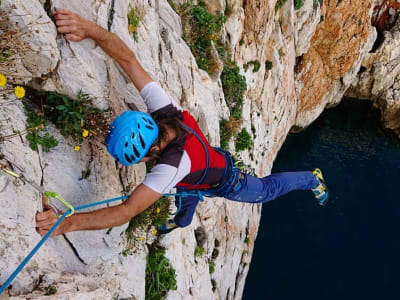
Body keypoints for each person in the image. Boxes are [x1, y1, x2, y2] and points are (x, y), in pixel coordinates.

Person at [35, 9, 328, 236]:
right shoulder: (167, 112)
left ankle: (312, 178)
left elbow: (126, 211)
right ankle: (182, 221)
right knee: (187, 201)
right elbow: (128, 61)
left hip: (227, 180)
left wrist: (67, 224)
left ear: (150, 154)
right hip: (200, 168)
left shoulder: (170, 167)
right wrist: (92, 31)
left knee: (265, 190)